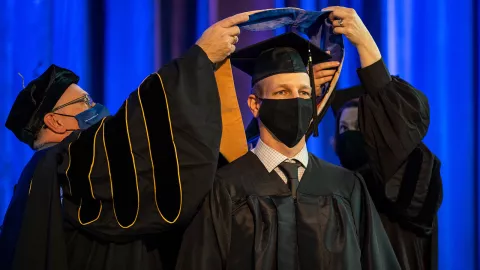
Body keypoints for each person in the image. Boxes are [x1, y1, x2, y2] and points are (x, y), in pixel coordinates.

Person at [0, 13, 251, 270]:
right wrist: (199, 59)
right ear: (55, 121)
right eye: (84, 102)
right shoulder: (65, 160)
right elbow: (134, 133)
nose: (95, 107)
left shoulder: (38, 175)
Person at [175, 32, 400, 270]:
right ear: (255, 104)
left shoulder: (346, 186)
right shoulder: (226, 188)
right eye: (282, 92)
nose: (296, 101)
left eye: (304, 93)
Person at [321, 6, 443, 270]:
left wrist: (366, 47)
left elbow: (397, 131)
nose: (353, 132)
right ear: (333, 143)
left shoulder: (415, 174)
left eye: (364, 125)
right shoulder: (328, 188)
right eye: (345, 127)